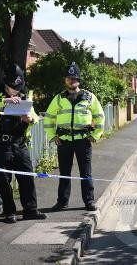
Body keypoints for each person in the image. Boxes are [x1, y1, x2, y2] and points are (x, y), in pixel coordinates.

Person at [0, 64, 47, 223]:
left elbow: (34, 116)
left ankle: (30, 210)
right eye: (12, 88)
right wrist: (4, 101)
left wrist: (30, 119)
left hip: (20, 143)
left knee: (26, 177)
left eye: (18, 88)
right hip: (1, 144)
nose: (16, 91)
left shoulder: (25, 94)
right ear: (5, 83)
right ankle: (9, 212)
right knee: (4, 179)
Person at [44, 62, 105, 212]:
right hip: (64, 141)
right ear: (65, 80)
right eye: (69, 78)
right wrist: (52, 136)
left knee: (86, 173)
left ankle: (89, 201)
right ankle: (62, 202)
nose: (72, 81)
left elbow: (100, 116)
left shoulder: (89, 97)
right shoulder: (58, 98)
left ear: (79, 80)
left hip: (83, 140)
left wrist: (95, 135)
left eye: (74, 78)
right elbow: (49, 119)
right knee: (64, 173)